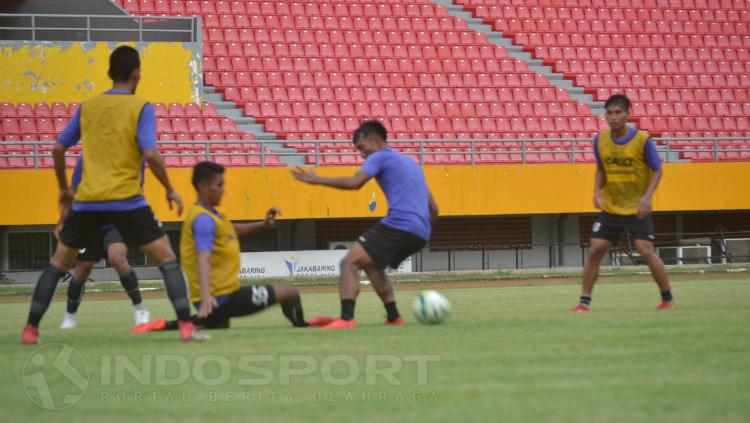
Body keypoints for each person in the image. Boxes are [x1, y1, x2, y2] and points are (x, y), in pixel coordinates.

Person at [21, 45, 205, 344]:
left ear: (108, 73)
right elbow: (151, 154)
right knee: (167, 259)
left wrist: (64, 190)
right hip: (127, 201)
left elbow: (56, 148)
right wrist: (170, 189)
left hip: (87, 202)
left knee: (58, 264)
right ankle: (186, 326)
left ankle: (30, 330)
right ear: (137, 74)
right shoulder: (141, 107)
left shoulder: (89, 106)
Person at [132, 161, 332, 333]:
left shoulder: (210, 215)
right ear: (203, 186)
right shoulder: (203, 220)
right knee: (290, 292)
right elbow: (203, 256)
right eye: (219, 185)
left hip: (221, 294)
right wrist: (206, 295)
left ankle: (165, 325)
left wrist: (263, 224)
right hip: (220, 296)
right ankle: (302, 325)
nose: (223, 190)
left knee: (218, 324)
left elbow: (235, 230)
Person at [292, 120, 439, 329]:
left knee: (348, 263)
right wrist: (421, 231)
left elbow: (355, 183)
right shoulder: (412, 164)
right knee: (372, 265)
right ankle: (394, 317)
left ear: (375, 140)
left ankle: (346, 318)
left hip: (399, 223)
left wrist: (316, 180)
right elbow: (434, 209)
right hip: (421, 232)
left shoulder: (379, 156)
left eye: (362, 147)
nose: (361, 155)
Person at [571, 94, 675, 312]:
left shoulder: (642, 140)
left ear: (628, 114)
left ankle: (667, 299)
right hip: (612, 206)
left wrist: (647, 196)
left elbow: (657, 169)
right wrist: (597, 190)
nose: (613, 117)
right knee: (595, 249)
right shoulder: (600, 140)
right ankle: (584, 302)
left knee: (645, 250)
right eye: (609, 113)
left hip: (637, 205)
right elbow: (601, 168)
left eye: (618, 112)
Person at [56, 157, 150, 330]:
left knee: (117, 257)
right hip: (89, 220)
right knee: (83, 266)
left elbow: (137, 187)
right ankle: (70, 316)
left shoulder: (131, 155)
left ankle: (140, 309)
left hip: (116, 220)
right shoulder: (85, 158)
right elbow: (74, 190)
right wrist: (63, 221)